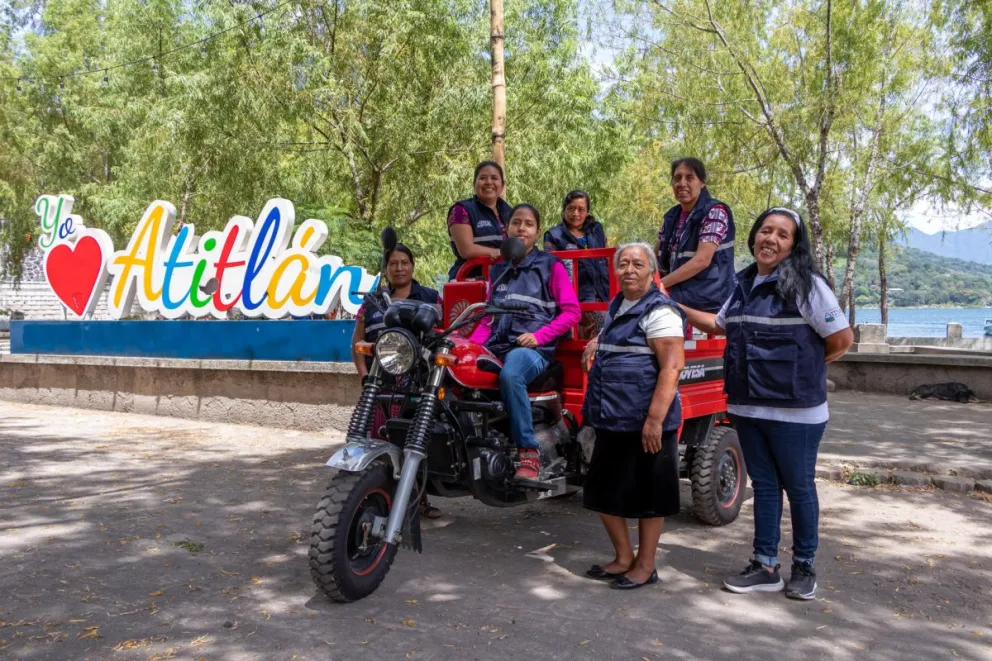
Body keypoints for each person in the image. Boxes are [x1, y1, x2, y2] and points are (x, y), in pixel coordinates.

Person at [680, 207, 854, 601]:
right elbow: (717, 325)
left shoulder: (807, 286)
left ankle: (804, 567)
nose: (771, 239)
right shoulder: (743, 284)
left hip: (797, 413)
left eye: (782, 234)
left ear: (794, 245)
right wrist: (674, 306)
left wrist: (803, 368)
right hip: (747, 409)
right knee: (765, 487)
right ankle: (764, 566)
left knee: (799, 487)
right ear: (754, 236)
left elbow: (841, 340)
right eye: (765, 231)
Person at [580, 243, 685, 590]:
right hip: (612, 416)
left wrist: (655, 420)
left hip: (644, 422)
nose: (629, 270)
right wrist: (598, 341)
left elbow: (672, 367)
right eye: (623, 264)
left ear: (651, 271)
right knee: (602, 492)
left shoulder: (661, 311)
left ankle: (645, 565)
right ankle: (623, 558)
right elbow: (623, 338)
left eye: (637, 264)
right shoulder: (618, 305)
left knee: (648, 498)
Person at [468, 203, 581, 480]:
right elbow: (487, 319)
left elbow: (572, 312)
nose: (521, 228)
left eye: (528, 224)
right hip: (498, 345)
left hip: (533, 350)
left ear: (537, 231)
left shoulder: (550, 266)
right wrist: (469, 347)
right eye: (516, 222)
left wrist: (538, 336)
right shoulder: (498, 270)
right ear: (506, 229)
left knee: (511, 374)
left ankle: (528, 453)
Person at [351, 243, 444, 519]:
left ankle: (417, 502)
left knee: (413, 442)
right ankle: (375, 501)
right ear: (386, 268)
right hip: (378, 384)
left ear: (412, 266)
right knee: (375, 441)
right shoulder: (373, 301)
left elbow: (442, 339)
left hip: (416, 385)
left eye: (405, 262)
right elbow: (358, 341)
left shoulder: (429, 296)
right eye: (394, 263)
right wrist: (365, 377)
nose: (400, 268)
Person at [656, 157, 736, 314]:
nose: (682, 184)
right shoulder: (672, 216)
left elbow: (702, 260)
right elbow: (655, 255)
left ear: (702, 182)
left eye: (690, 177)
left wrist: (660, 284)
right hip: (680, 292)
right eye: (677, 178)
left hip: (710, 296)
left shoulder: (715, 211)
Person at [543, 190, 611, 338]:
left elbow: (606, 257)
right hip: (575, 298)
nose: (576, 214)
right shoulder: (554, 235)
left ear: (587, 212)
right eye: (571, 208)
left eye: (581, 210)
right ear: (564, 209)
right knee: (593, 330)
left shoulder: (596, 230)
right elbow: (548, 268)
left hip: (603, 293)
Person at [447, 161, 513, 280]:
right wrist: (500, 253)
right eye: (483, 178)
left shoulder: (509, 211)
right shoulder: (461, 210)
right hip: (468, 279)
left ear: (502, 185)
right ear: (474, 183)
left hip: (503, 278)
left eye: (494, 178)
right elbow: (466, 250)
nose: (489, 182)